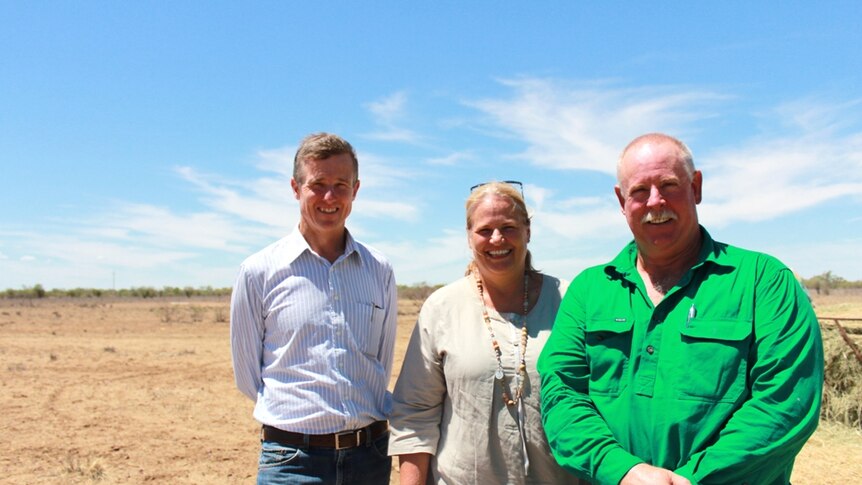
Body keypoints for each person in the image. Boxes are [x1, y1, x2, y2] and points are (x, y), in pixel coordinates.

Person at [538, 133, 824, 485]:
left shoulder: (764, 282)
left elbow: (786, 404)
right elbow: (561, 391)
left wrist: (693, 480)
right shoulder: (589, 290)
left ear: (696, 187)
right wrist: (622, 471)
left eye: (669, 185)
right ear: (621, 200)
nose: (655, 202)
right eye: (640, 190)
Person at [230, 132, 398, 484]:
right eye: (317, 184)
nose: (329, 196)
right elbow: (249, 377)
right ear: (295, 188)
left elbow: (380, 361)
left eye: (341, 185)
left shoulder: (378, 269)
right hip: (292, 462)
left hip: (370, 458)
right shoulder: (259, 271)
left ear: (356, 189)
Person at [389, 181, 582, 485]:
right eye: (484, 230)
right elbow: (415, 414)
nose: (497, 239)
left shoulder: (571, 302)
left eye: (508, 227)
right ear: (469, 237)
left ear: (527, 231)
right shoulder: (442, 308)